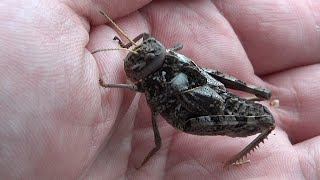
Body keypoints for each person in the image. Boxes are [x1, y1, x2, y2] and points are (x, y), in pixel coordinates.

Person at [1, 0, 319, 179]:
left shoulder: (156, 82)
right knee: (205, 79)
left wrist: (111, 82)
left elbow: (157, 136)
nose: (140, 49)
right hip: (197, 89)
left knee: (258, 117)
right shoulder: (160, 58)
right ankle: (263, 100)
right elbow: (150, 45)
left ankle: (247, 134)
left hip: (196, 115)